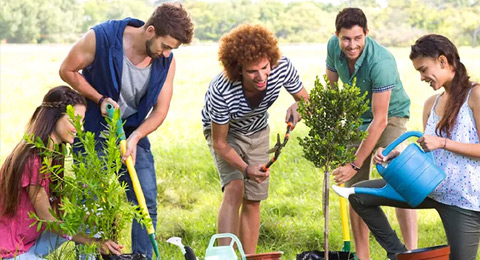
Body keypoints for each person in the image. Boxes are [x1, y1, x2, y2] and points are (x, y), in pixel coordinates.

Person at [58, 3, 194, 258]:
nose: (167, 54)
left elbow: (160, 110)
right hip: (93, 132)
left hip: (132, 132)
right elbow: (66, 70)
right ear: (151, 30)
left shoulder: (166, 62)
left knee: (146, 201)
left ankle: (142, 256)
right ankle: (87, 255)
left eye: (172, 50)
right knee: (90, 200)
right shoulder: (101, 38)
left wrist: (136, 137)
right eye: (165, 46)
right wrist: (99, 99)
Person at [348, 34, 480, 260]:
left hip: (463, 198)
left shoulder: (475, 95)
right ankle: (401, 255)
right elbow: (429, 151)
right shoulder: (432, 103)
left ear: (443, 61)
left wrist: (443, 142)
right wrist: (397, 156)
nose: (421, 77)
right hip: (426, 186)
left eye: (423, 69)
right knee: (359, 195)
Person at [201, 24, 309, 253]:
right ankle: (225, 256)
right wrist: (245, 168)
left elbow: (306, 100)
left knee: (253, 197)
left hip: (258, 129)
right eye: (252, 71)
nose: (261, 76)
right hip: (225, 133)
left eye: (264, 67)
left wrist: (298, 107)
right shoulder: (222, 90)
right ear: (238, 69)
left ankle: (249, 257)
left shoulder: (282, 67)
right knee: (235, 186)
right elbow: (220, 143)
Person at [326, 7, 417, 259]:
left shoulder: (382, 61)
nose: (351, 45)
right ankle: (363, 256)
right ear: (337, 36)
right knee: (356, 190)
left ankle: (411, 251)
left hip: (390, 116)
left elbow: (380, 120)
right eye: (346, 38)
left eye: (357, 38)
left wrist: (354, 163)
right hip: (358, 116)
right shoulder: (333, 48)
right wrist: (332, 135)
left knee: (398, 178)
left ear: (366, 33)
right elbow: (332, 95)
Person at [0, 86, 123, 259]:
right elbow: (47, 217)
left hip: (33, 239)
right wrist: (92, 242)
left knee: (96, 213)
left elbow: (58, 209)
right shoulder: (33, 158)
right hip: (14, 249)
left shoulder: (54, 154)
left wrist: (94, 220)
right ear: (54, 118)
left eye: (81, 121)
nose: (79, 128)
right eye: (74, 120)